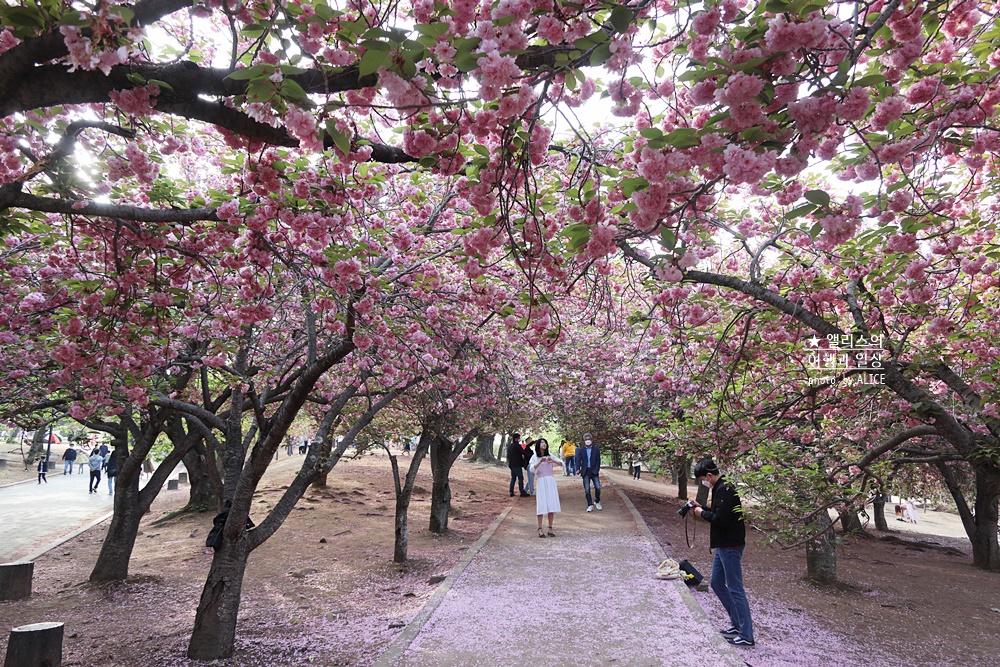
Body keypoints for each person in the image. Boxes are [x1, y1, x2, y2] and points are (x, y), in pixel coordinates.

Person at [691, 459, 755, 648]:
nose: (704, 482)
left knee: (735, 588)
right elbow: (719, 512)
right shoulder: (719, 487)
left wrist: (701, 514)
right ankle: (736, 626)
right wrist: (701, 508)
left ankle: (746, 635)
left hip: (730, 545)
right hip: (723, 545)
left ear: (708, 476)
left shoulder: (726, 488)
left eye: (703, 479)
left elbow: (721, 519)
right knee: (717, 583)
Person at [528, 438, 563, 537]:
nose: (544, 444)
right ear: (538, 445)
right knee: (542, 504)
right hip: (542, 481)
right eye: (542, 442)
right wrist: (540, 462)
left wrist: (552, 460)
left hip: (550, 480)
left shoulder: (550, 455)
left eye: (545, 443)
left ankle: (550, 527)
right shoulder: (535, 457)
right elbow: (531, 469)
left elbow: (561, 463)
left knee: (551, 503)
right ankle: (539, 528)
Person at [575, 433, 602, 512]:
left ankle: (597, 501)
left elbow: (598, 460)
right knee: (587, 489)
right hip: (585, 471)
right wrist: (577, 469)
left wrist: (596, 469)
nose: (588, 441)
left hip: (594, 471)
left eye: (589, 439)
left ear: (592, 440)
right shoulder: (581, 450)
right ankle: (590, 504)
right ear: (584, 441)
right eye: (586, 440)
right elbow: (578, 460)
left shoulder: (596, 449)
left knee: (598, 487)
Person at [507, 432, 528, 497]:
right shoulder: (517, 446)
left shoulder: (510, 446)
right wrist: (529, 455)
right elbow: (523, 452)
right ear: (516, 439)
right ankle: (522, 491)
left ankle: (511, 491)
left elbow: (508, 455)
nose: (519, 439)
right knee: (520, 477)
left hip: (511, 464)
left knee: (513, 478)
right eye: (518, 438)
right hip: (517, 464)